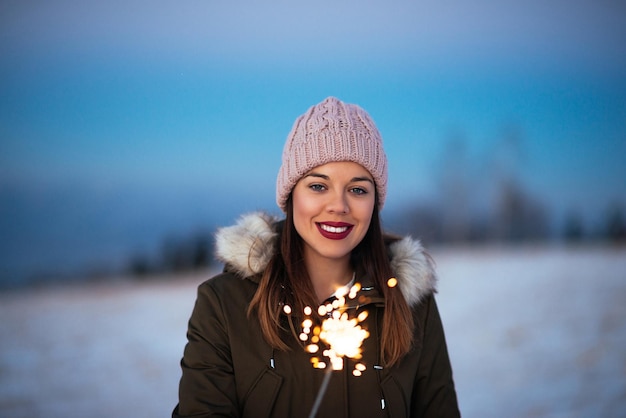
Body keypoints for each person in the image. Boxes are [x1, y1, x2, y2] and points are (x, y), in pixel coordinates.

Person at [173, 97, 460, 417]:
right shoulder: (224, 305)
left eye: (358, 189)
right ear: (291, 194)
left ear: (374, 203)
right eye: (318, 186)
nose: (339, 205)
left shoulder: (410, 305)